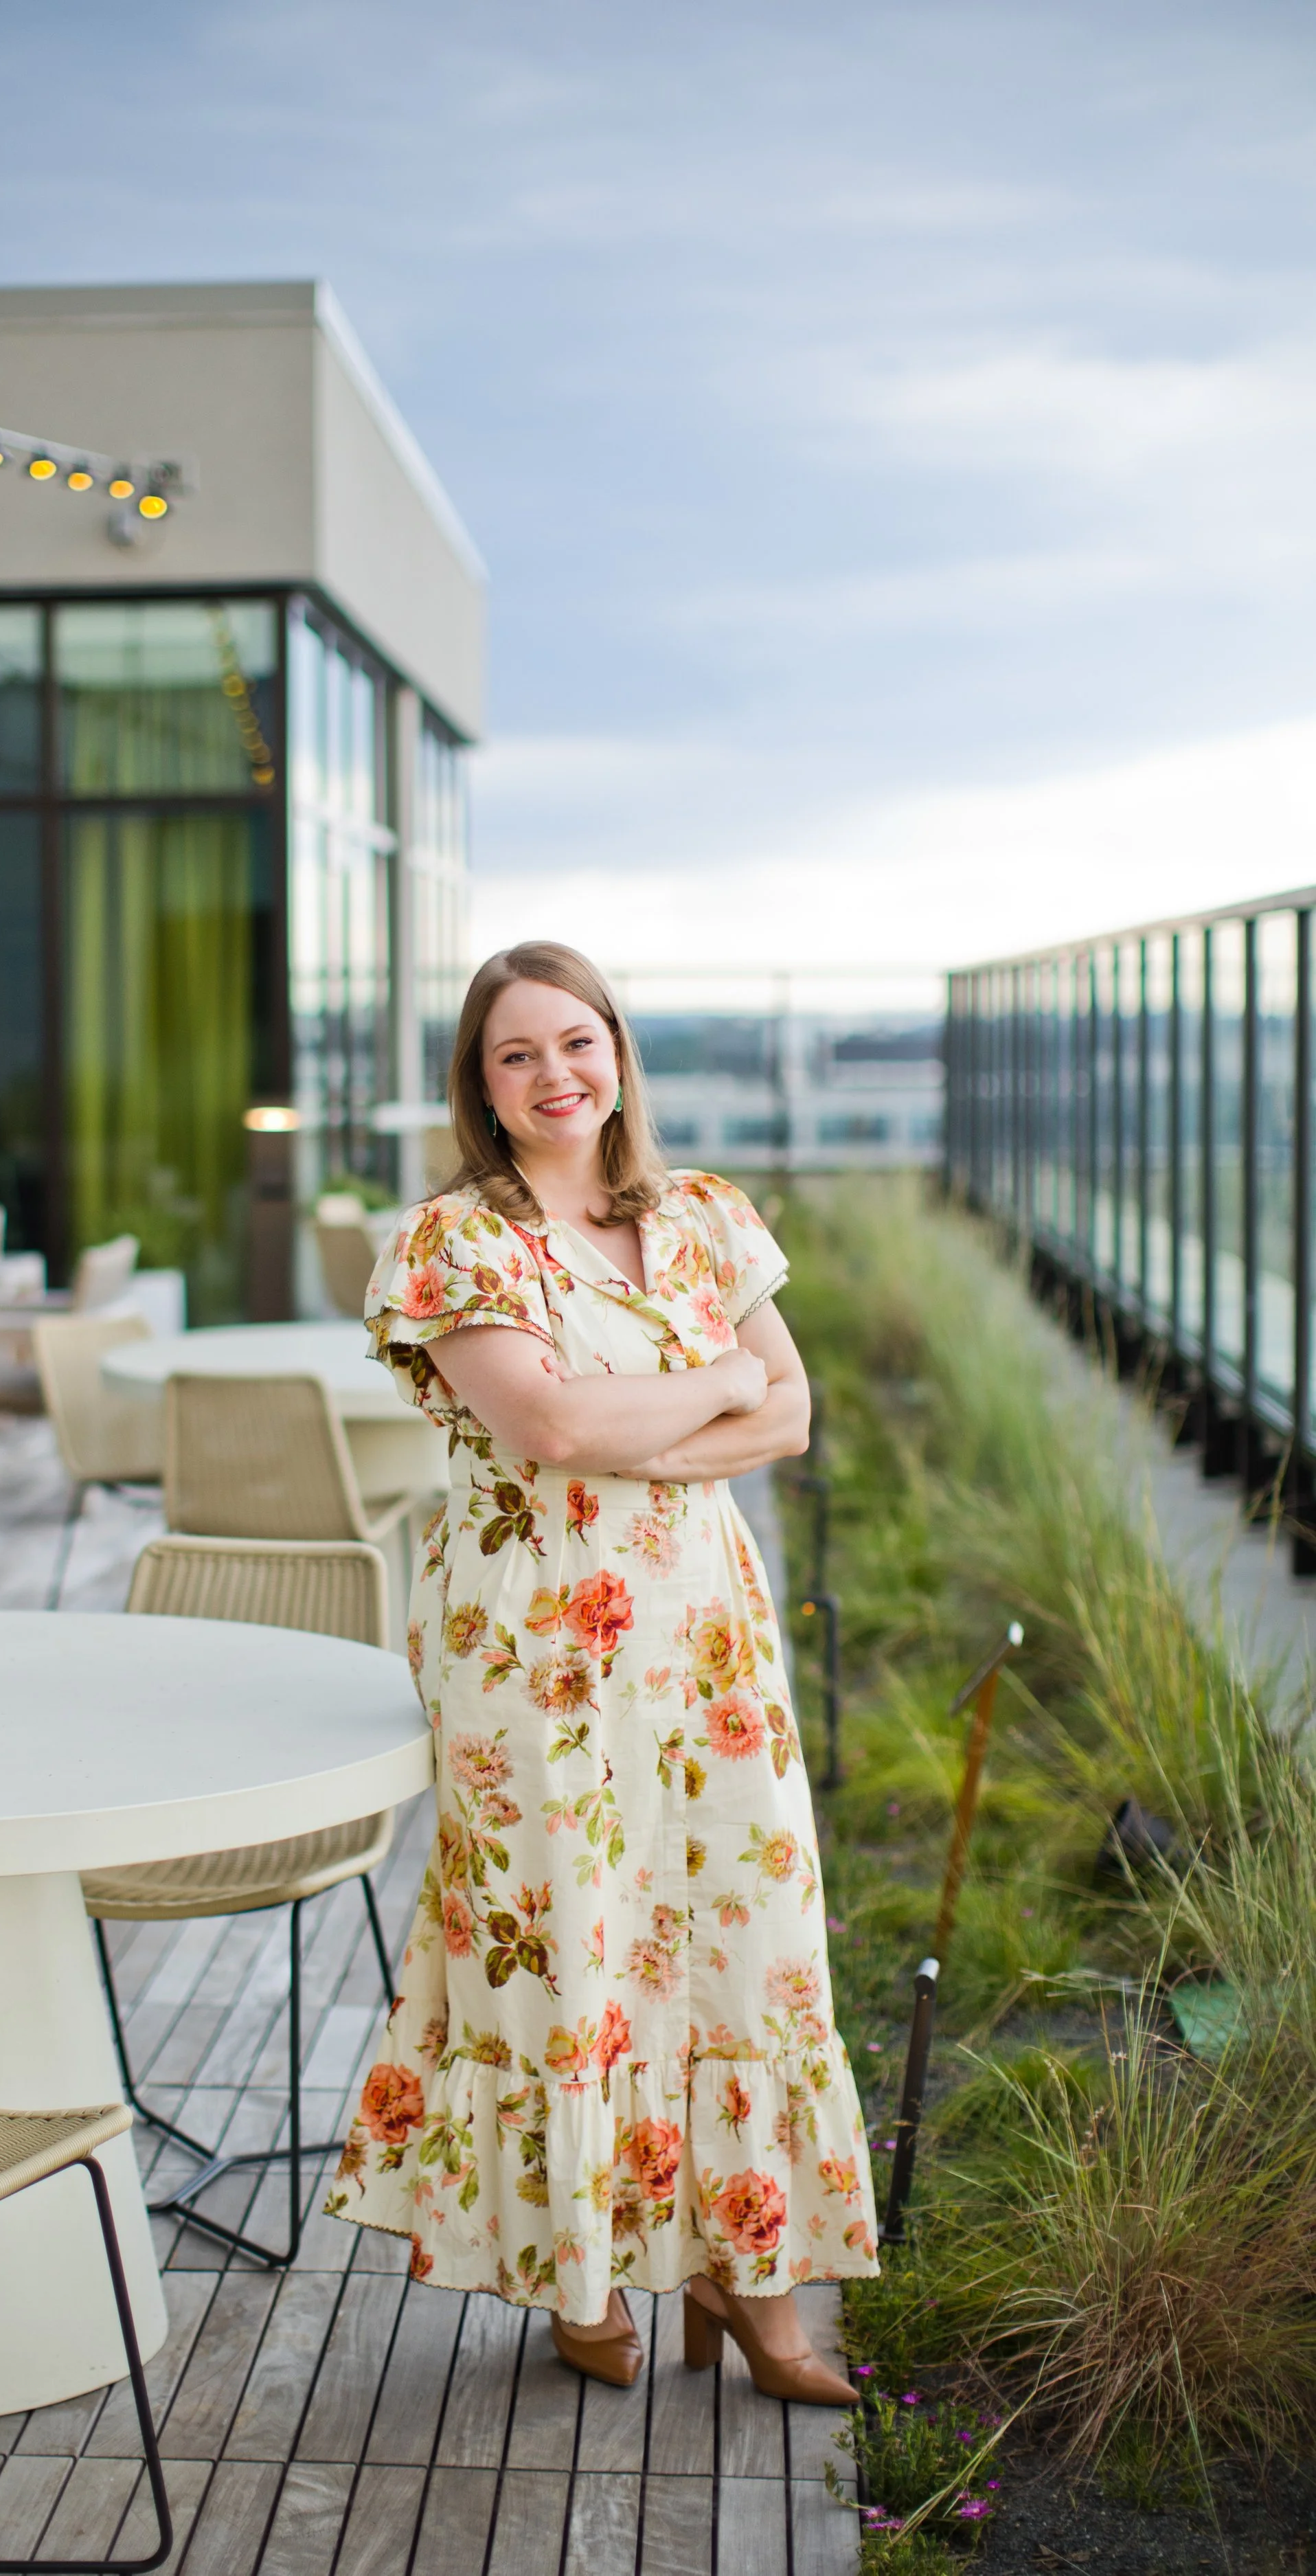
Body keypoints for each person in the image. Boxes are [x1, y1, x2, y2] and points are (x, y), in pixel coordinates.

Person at [326, 940, 875, 2403]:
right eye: (517, 1055)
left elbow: (794, 1413)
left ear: (616, 1053)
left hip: (703, 1639)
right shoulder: (453, 1242)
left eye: (576, 1042)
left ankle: (747, 2282)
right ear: (481, 1086)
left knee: (742, 1938)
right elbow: (550, 1433)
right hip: (534, 1648)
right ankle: (573, 2278)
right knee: (570, 1948)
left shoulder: (704, 1220)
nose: (554, 1074)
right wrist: (710, 1386)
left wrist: (661, 1417)